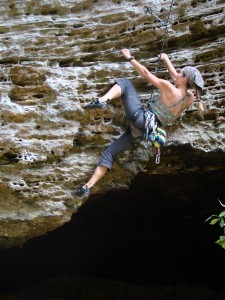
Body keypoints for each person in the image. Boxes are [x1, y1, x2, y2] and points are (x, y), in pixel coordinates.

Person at [73, 48, 204, 197]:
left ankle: (102, 100)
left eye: (180, 73)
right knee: (109, 153)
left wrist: (130, 58)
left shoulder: (169, 88)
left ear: (185, 79)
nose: (177, 74)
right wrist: (166, 60)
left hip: (140, 117)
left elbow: (146, 74)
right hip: (144, 133)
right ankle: (87, 186)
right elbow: (178, 79)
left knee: (125, 83)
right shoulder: (190, 98)